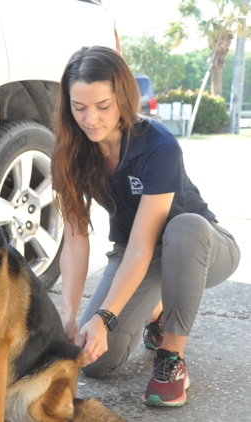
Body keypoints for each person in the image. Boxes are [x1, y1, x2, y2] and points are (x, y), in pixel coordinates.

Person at [51, 46, 240, 408]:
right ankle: (157, 309)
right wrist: (70, 317)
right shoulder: (69, 150)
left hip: (201, 246)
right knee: (95, 360)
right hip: (138, 254)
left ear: (123, 97)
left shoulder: (158, 146)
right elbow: (75, 238)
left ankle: (172, 357)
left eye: (102, 106)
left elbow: (143, 245)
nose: (90, 118)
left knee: (183, 228)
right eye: (79, 107)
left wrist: (106, 317)